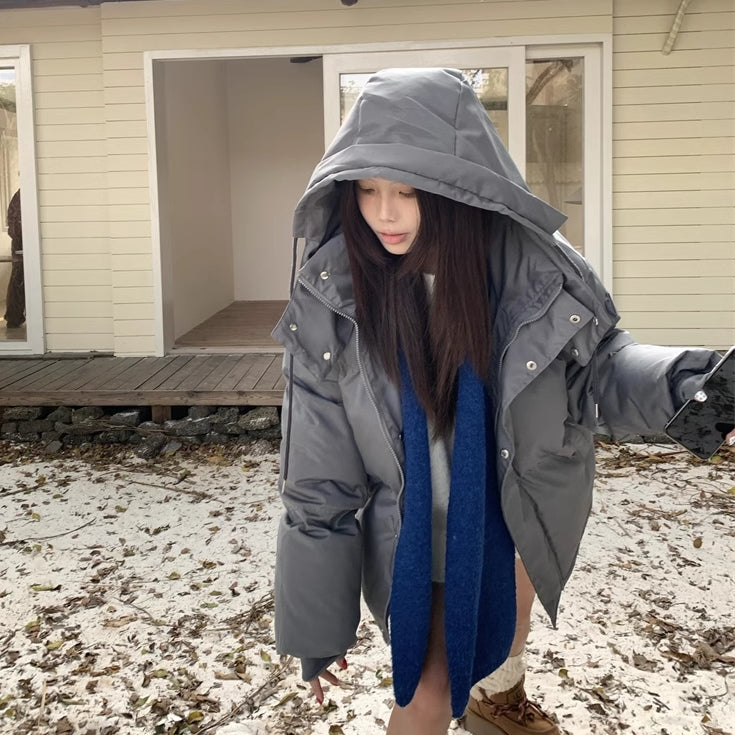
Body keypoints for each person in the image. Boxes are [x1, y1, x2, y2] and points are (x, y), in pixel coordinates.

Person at [271, 68, 734, 735]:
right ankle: (484, 698)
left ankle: (496, 701)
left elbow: (603, 367)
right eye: (366, 190)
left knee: (505, 620)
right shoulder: (336, 294)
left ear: (458, 187)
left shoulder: (537, 271)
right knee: (428, 689)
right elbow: (316, 473)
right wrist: (315, 626)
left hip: (517, 508)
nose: (384, 213)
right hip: (417, 532)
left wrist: (709, 395)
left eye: (407, 190)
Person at [4, 188, 25, 329]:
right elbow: (14, 224)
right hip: (20, 247)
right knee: (18, 280)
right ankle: (13, 317)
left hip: (22, 245)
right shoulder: (21, 196)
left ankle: (14, 317)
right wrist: (21, 243)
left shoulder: (21, 195)